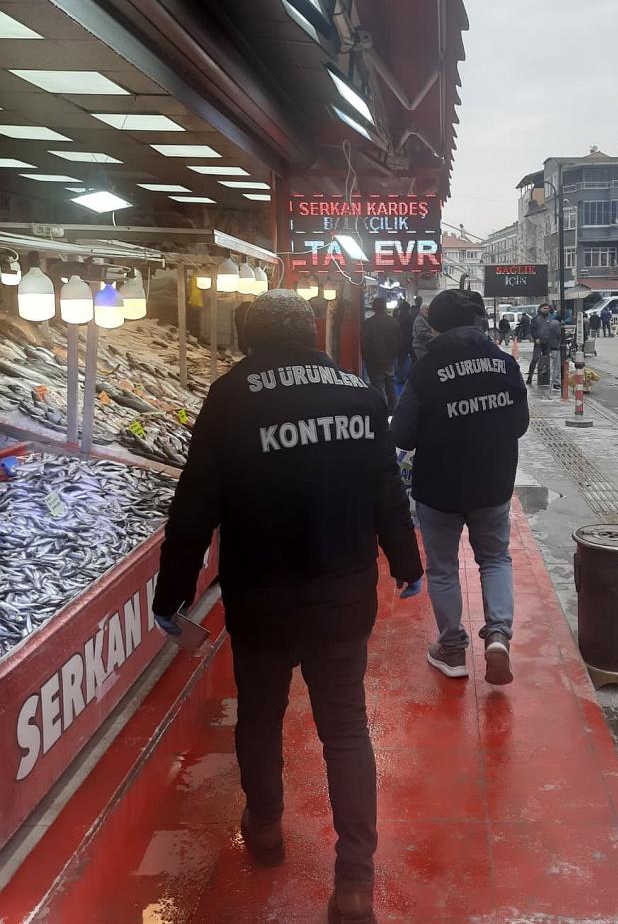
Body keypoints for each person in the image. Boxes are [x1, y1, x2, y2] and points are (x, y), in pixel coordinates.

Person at [152, 290, 422, 923]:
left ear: (249, 336)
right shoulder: (358, 394)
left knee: (261, 717)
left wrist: (173, 593)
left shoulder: (230, 397)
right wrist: (408, 565)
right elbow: (388, 489)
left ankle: (266, 830)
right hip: (342, 595)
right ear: (312, 335)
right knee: (347, 731)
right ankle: (354, 882)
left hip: (262, 596)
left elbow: (194, 505)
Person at [391, 290, 529, 685]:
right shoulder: (505, 364)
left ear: (435, 325)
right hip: (493, 482)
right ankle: (498, 635)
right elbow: (519, 424)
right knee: (496, 558)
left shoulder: (426, 370)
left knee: (444, 568)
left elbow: (403, 433)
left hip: (439, 486)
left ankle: (452, 649)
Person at [362, 297, 400, 409]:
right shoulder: (394, 321)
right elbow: (399, 340)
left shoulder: (369, 323)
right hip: (390, 359)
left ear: (374, 308)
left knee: (378, 387)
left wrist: (365, 357)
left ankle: (383, 410)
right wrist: (394, 354)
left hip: (373, 360)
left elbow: (365, 342)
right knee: (391, 385)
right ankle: (394, 410)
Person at [395, 300, 414, 386]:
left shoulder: (398, 319)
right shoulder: (411, 318)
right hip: (409, 342)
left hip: (399, 343)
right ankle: (407, 377)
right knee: (409, 360)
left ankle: (399, 377)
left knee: (400, 361)